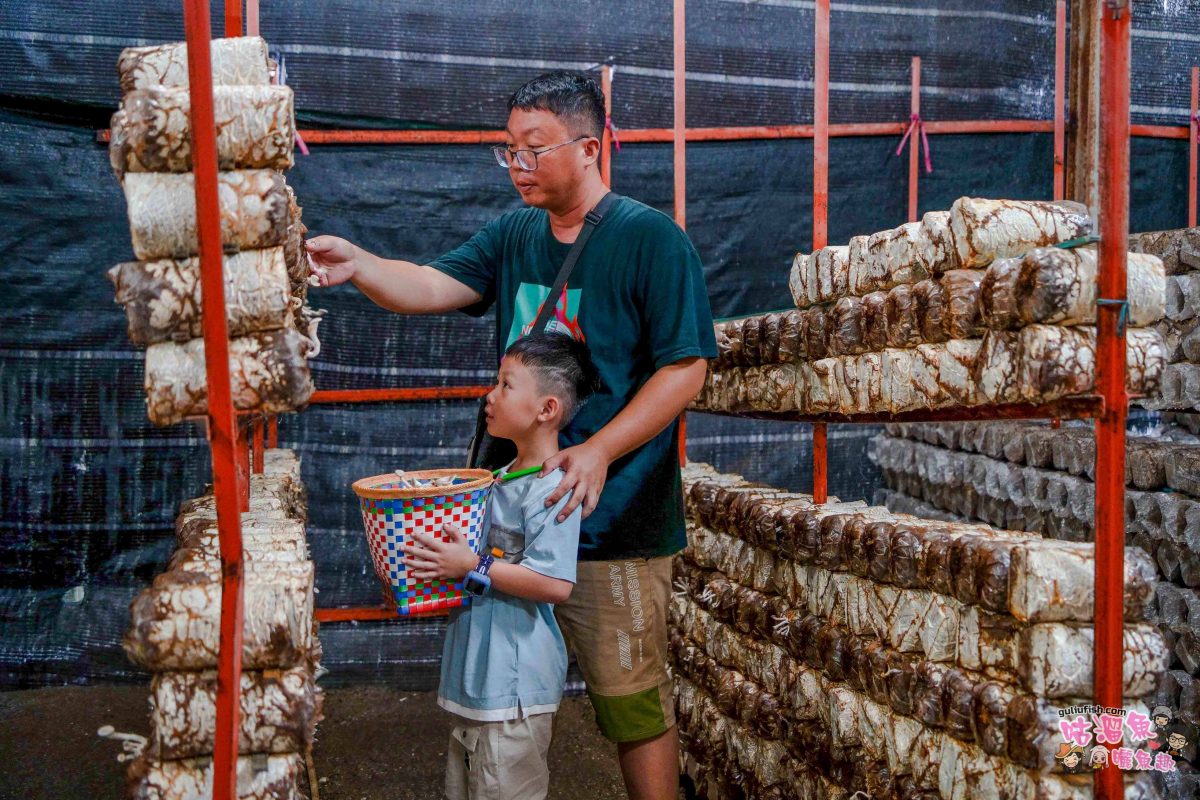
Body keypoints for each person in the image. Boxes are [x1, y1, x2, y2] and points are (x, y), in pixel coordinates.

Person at [309, 70, 716, 799]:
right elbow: (435, 286)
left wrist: (598, 449)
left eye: (533, 149)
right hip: (510, 523)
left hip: (613, 519)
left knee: (630, 700)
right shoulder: (514, 234)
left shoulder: (651, 241)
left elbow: (686, 370)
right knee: (507, 704)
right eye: (508, 151)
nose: (518, 166)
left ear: (588, 147)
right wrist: (363, 266)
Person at [402, 332, 599, 800]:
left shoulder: (552, 489)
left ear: (546, 409)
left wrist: (473, 563)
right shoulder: (496, 479)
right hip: (476, 676)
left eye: (506, 385)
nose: (489, 396)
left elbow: (554, 583)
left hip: (514, 688)